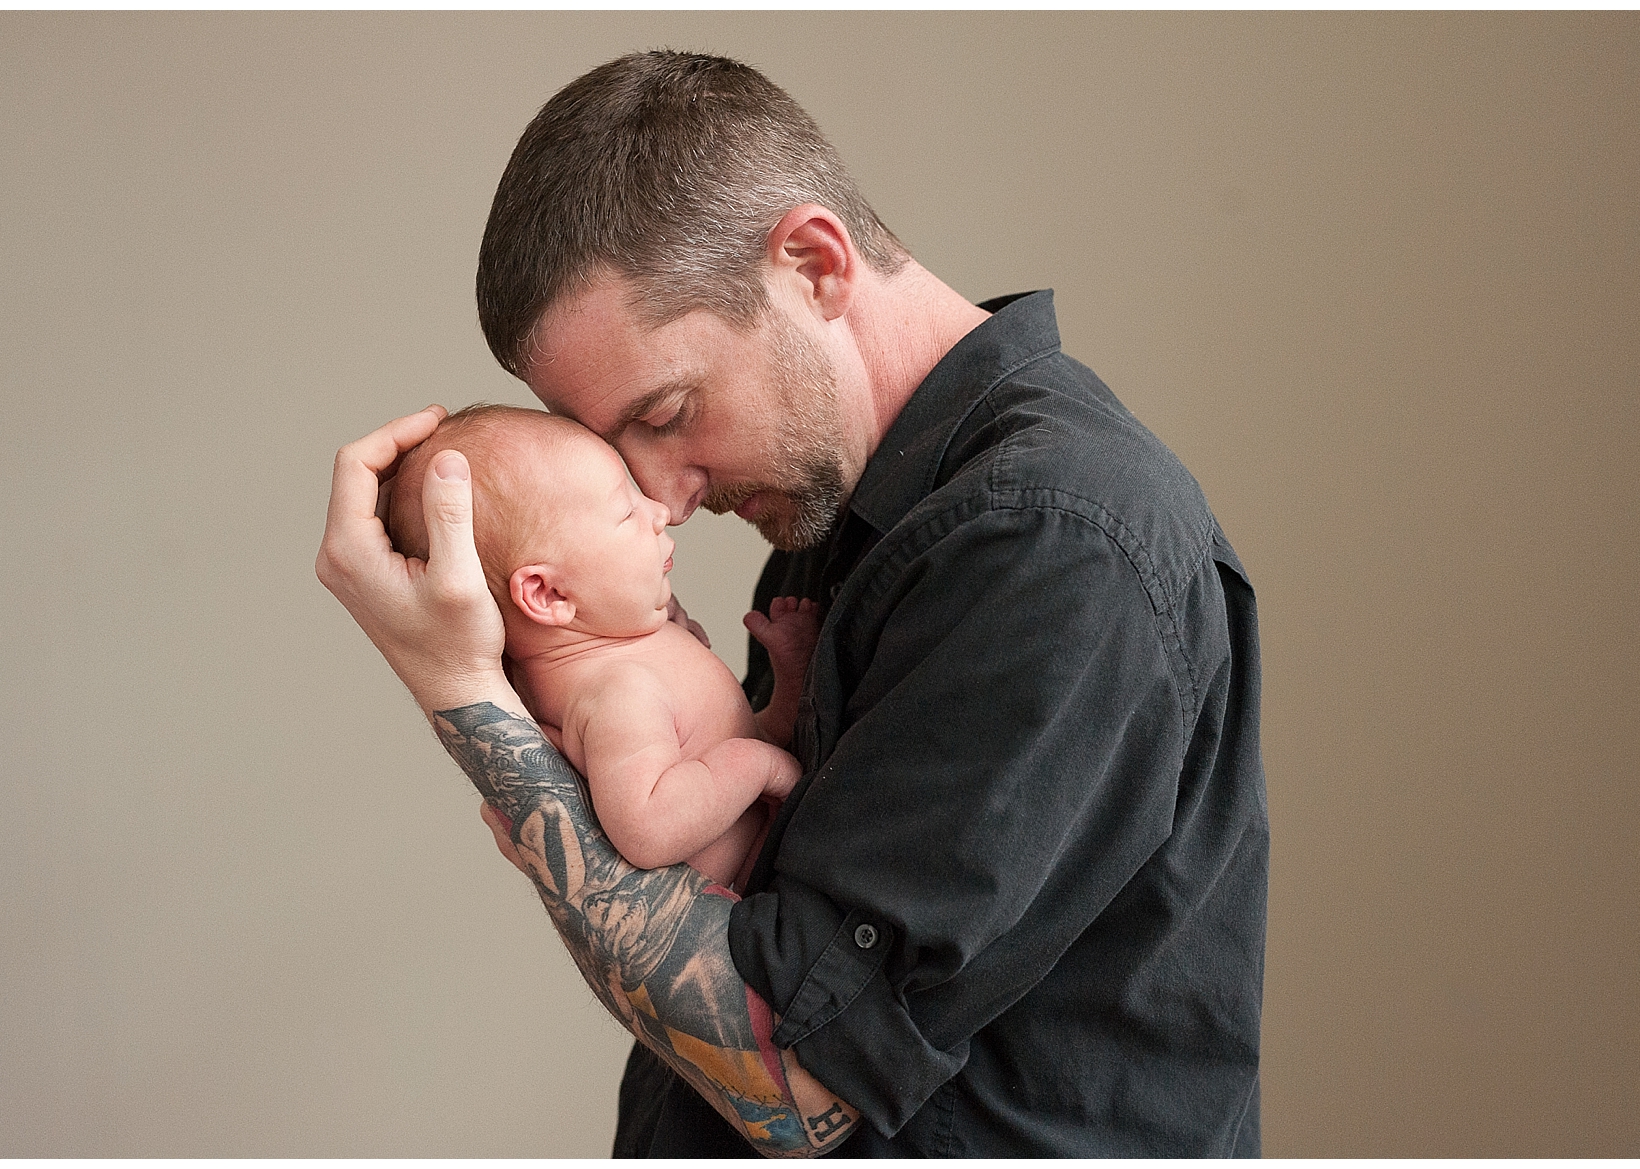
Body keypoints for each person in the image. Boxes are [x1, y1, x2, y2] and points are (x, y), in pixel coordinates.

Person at [319, 50, 1268, 1156]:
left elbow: (795, 1074)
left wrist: (461, 691)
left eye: (668, 410)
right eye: (614, 443)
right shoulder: (844, 524)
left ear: (815, 263)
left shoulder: (1054, 541)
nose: (659, 495)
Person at [383, 403, 821, 889]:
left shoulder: (615, 659)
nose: (659, 512)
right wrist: (757, 767)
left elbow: (721, 747)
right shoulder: (616, 695)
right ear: (549, 595)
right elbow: (650, 827)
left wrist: (789, 675)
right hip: (758, 905)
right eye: (627, 509)